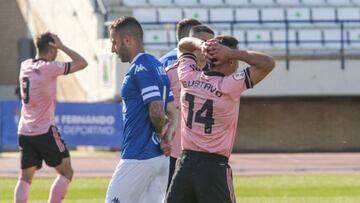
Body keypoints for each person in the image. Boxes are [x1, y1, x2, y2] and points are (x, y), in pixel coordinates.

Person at [165, 36, 275, 203]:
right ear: (230, 62)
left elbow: (183, 45)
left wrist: (201, 45)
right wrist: (233, 53)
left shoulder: (188, 76)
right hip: (213, 168)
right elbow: (268, 63)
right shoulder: (230, 86)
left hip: (185, 164)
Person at [105, 16, 177, 203]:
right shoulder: (157, 65)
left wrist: (161, 132)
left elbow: (156, 109)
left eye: (114, 42)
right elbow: (173, 111)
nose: (113, 49)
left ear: (128, 39)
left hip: (138, 157)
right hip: (160, 158)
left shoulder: (140, 68)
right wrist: (167, 137)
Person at [14, 32, 88, 203]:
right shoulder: (50, 67)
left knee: (25, 178)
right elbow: (82, 63)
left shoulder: (25, 65)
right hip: (44, 130)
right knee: (66, 172)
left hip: (25, 131)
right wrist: (62, 46)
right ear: (52, 49)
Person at [165, 24, 215, 190]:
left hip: (206, 157)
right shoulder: (170, 73)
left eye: (212, 44)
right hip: (172, 154)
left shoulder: (218, 77)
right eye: (204, 43)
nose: (208, 48)